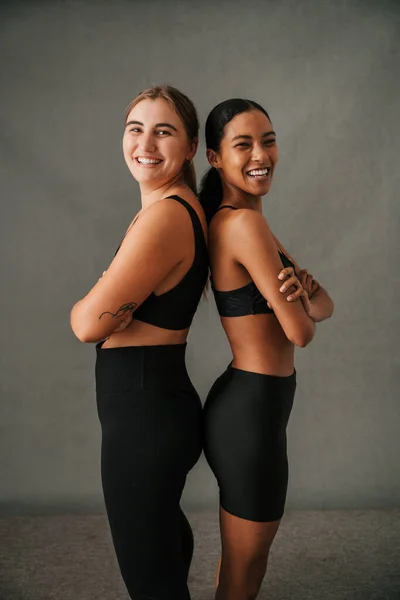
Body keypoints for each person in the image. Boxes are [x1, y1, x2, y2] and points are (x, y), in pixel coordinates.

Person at [70, 85, 208, 600]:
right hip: (152, 405)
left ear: (191, 146)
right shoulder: (173, 208)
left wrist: (86, 302)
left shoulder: (166, 216)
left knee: (149, 574)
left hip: (145, 415)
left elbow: (87, 324)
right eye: (136, 128)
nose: (145, 143)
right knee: (161, 545)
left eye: (163, 131)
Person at [199, 98, 334, 600]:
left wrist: (304, 296)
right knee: (246, 565)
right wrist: (300, 303)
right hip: (251, 413)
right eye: (243, 144)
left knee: (242, 561)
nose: (261, 154)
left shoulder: (244, 219)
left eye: (269, 140)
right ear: (215, 158)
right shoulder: (244, 224)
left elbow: (323, 306)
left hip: (252, 406)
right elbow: (302, 332)